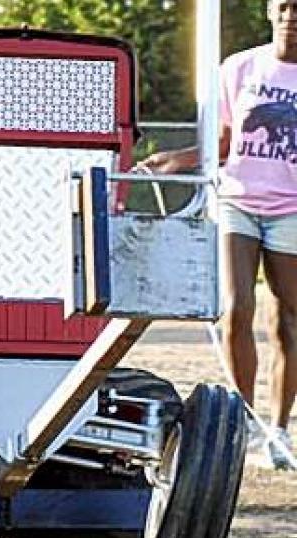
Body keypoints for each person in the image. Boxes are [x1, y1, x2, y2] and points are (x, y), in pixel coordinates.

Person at [142, 0, 297, 470]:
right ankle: (241, 418)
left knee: (288, 319)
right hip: (238, 201)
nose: (292, 17)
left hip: (291, 209)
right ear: (271, 13)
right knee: (235, 309)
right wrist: (178, 159)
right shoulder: (241, 67)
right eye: (285, 7)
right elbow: (225, 140)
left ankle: (279, 428)